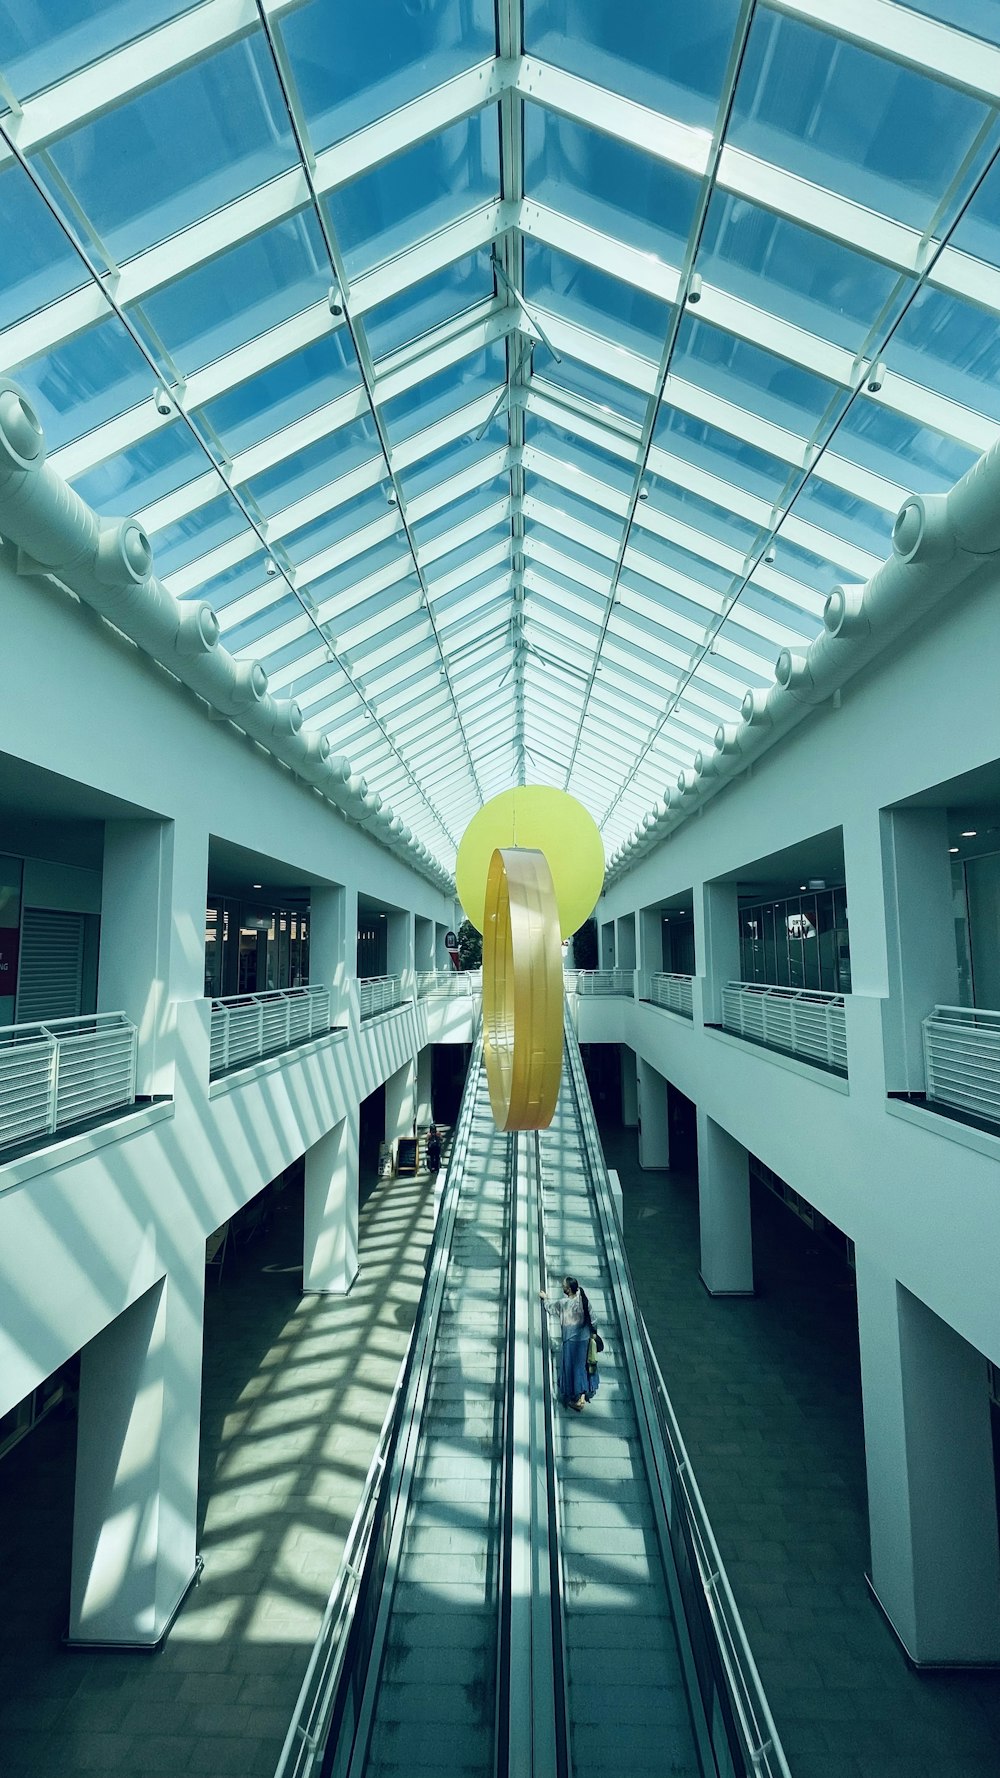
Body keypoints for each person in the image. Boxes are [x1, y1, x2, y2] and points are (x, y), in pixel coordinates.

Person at [540, 1275, 600, 1410]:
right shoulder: (583, 1300)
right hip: (584, 1339)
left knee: (573, 1369)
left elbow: (550, 1308)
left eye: (563, 1286)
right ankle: (583, 1395)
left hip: (570, 1341)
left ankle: (579, 1400)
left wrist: (545, 1299)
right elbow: (594, 1319)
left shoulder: (563, 1303)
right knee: (584, 1367)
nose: (562, 1287)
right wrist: (593, 1332)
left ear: (568, 1289)